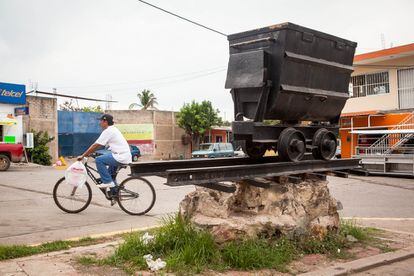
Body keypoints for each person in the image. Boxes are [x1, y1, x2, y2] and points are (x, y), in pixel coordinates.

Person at [77, 114, 132, 193]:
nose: (100, 123)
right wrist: (91, 153)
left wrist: (83, 155)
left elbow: (96, 145)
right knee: (110, 174)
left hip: (121, 157)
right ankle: (114, 194)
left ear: (105, 121)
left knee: (99, 160)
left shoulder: (108, 131)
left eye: (101, 121)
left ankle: (107, 182)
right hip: (121, 155)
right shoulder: (113, 129)